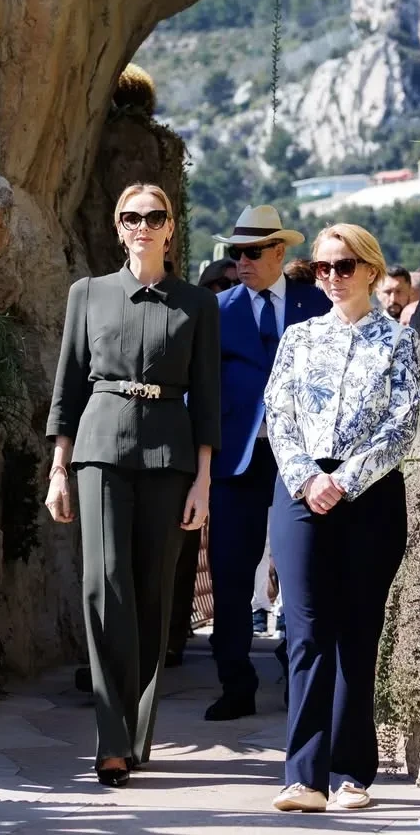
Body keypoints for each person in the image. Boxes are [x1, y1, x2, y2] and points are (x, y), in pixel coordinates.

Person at [44, 183, 220, 787]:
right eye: (131, 217)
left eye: (154, 216)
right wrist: (58, 469)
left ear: (170, 228)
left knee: (152, 593)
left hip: (170, 457)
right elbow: (68, 386)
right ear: (118, 228)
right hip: (99, 450)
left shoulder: (198, 304)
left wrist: (203, 483)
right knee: (103, 585)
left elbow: (209, 400)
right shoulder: (87, 294)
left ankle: (136, 731)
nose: (142, 225)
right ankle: (111, 738)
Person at [265, 223, 420, 813]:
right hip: (301, 493)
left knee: (357, 633)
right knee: (306, 633)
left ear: (371, 271)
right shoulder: (299, 338)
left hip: (370, 497)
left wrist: (346, 480)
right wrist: (310, 479)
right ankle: (303, 778)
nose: (332, 276)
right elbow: (278, 414)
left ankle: (352, 774)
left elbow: (402, 422)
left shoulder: (398, 341)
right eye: (322, 267)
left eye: (344, 265)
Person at [205, 204, 331, 721]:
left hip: (299, 459)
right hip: (237, 459)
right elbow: (199, 387)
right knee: (230, 573)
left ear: (280, 251)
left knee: (303, 571)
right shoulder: (217, 310)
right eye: (236, 253)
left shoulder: (316, 304)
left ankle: (296, 673)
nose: (243, 262)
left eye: (254, 252)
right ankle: (235, 684)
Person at [166, 257, 240, 668]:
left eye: (233, 284)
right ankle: (166, 638)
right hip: (182, 443)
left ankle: (176, 635)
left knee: (205, 551)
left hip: (231, 449)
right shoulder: (188, 319)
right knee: (179, 549)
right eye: (219, 285)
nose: (226, 291)